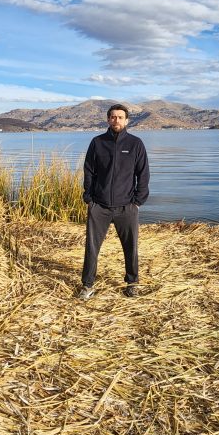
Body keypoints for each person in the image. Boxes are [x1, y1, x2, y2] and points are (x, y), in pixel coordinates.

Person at [78, 103, 150, 300]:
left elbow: (142, 174)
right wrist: (89, 198)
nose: (116, 120)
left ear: (127, 121)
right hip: (99, 206)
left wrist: (137, 201)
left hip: (126, 206)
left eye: (120, 117)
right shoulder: (97, 142)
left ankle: (132, 283)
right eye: (113, 117)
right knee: (92, 247)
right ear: (108, 119)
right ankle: (88, 285)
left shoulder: (136, 144)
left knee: (131, 246)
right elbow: (89, 171)